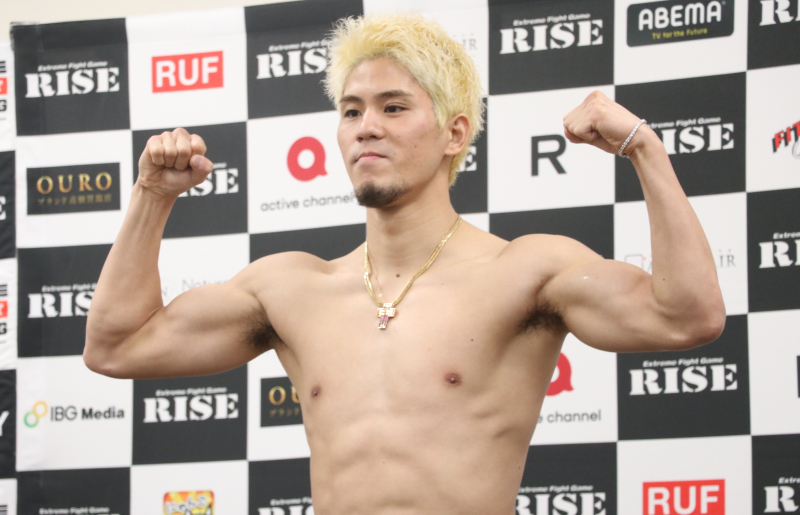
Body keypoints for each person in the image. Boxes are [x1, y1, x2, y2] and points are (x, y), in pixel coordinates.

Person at [84, 13, 725, 515]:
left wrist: (645, 150)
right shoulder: (291, 287)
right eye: (352, 111)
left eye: (394, 107)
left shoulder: (523, 272)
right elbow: (117, 346)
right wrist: (152, 195)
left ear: (453, 134)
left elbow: (687, 317)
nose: (367, 127)